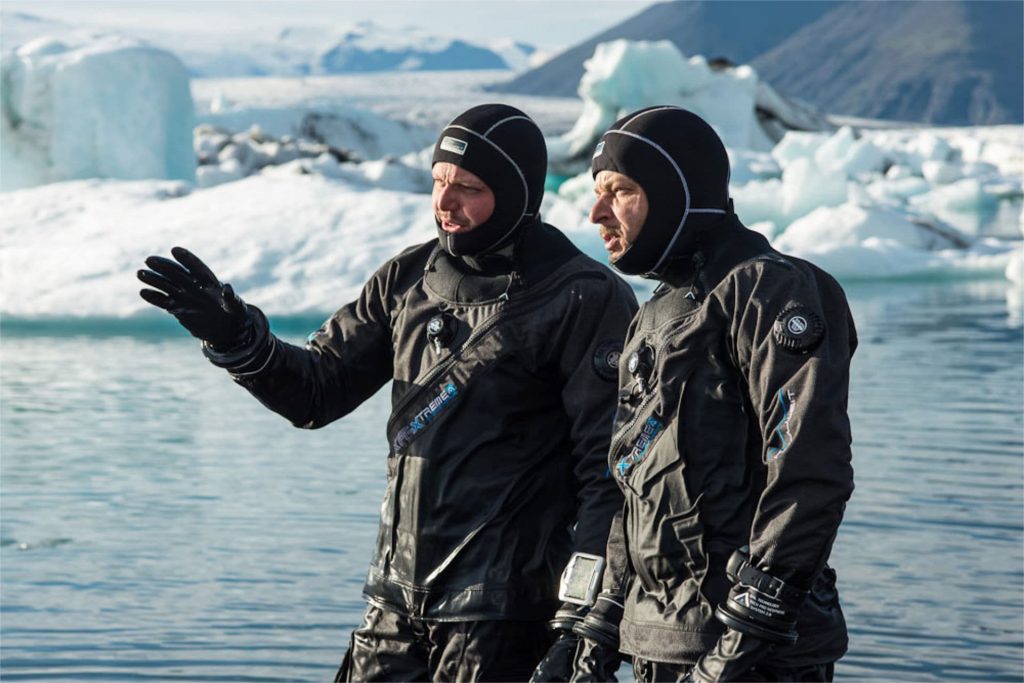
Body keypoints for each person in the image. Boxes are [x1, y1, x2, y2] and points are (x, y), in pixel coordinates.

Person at [137, 103, 638, 682]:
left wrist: (583, 624)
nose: (445, 203)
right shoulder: (408, 279)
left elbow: (609, 477)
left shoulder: (582, 297)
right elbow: (317, 393)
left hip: (505, 618)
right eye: (438, 182)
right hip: (395, 605)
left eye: (469, 188)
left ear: (519, 193)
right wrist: (240, 339)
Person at [556, 106, 857, 682]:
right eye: (598, 194)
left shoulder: (769, 289)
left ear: (674, 193)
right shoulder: (654, 314)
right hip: (659, 644)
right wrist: (596, 637)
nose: (597, 213)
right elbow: (633, 481)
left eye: (619, 191)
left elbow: (809, 473)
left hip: (756, 659)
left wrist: (738, 646)